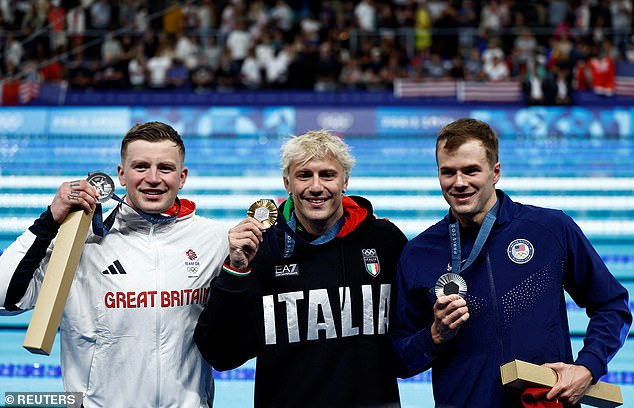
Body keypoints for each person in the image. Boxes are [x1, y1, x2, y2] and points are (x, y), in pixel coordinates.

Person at [389, 118, 632, 407]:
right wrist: (434, 335)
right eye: (448, 172)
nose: (459, 183)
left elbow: (612, 304)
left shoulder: (550, 229)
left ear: (495, 172)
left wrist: (588, 366)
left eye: (471, 171)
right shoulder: (419, 253)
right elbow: (399, 360)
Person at [0, 121, 229, 407]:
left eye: (165, 168)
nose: (153, 178)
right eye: (141, 166)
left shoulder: (215, 240)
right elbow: (4, 301)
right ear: (121, 174)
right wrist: (49, 221)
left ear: (182, 177)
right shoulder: (79, 242)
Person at [194, 130, 407, 407]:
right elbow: (222, 355)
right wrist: (235, 273)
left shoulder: (384, 240)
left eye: (328, 175)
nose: (316, 187)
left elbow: (414, 327)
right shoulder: (261, 250)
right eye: (304, 175)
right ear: (287, 183)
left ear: (345, 181)